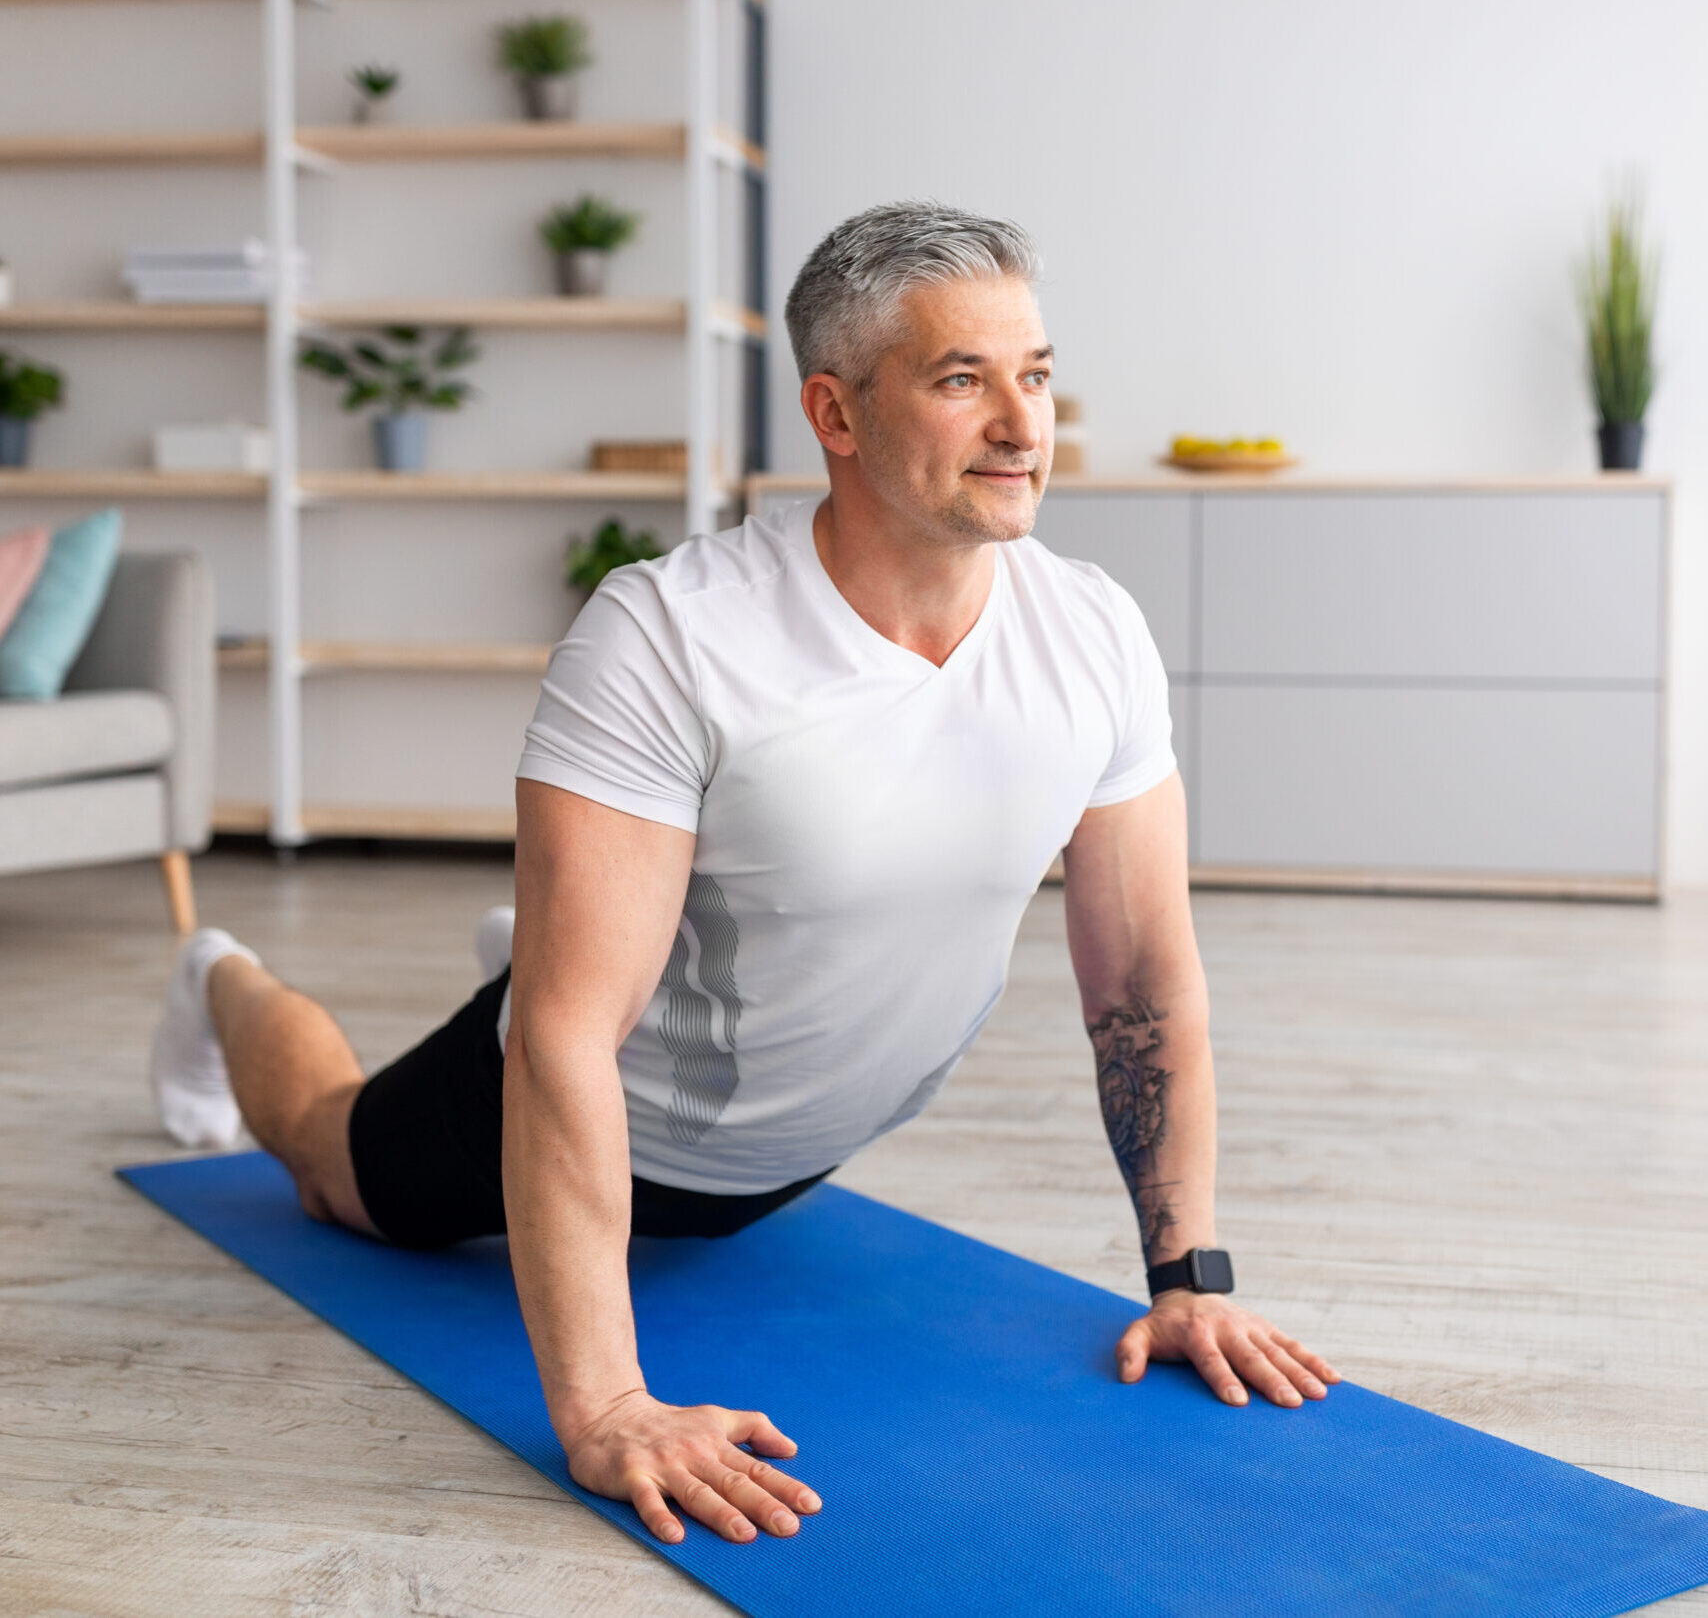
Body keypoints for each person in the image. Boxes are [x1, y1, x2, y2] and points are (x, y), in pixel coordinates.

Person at [150, 200, 1339, 1550]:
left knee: (606, 964)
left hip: (804, 1127)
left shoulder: (1094, 633)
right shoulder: (670, 635)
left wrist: (1189, 1278)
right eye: (964, 380)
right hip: (636, 1116)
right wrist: (605, 1406)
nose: (1024, 426)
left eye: (1038, 375)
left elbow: (1140, 984)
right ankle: (219, 980)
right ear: (834, 414)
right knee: (333, 1165)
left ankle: (612, 921)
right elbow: (564, 1039)